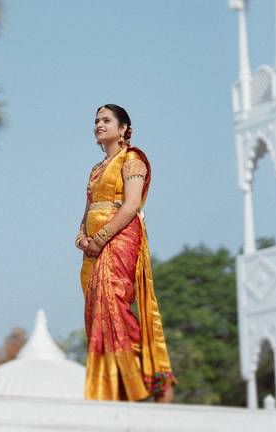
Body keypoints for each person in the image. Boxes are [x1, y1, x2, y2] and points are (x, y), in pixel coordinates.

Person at [76, 104, 175, 402]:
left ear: (123, 129)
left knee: (114, 302)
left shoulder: (132, 160)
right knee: (98, 313)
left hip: (120, 237)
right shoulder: (96, 169)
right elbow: (89, 209)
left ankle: (148, 378)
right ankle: (117, 387)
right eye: (96, 121)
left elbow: (131, 206)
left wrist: (102, 237)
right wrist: (82, 236)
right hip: (93, 246)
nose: (98, 125)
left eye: (106, 120)